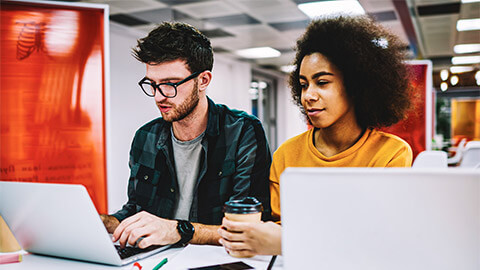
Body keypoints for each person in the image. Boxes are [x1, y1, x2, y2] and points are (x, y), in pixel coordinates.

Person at [218, 15, 413, 257]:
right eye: (303, 85)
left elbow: (381, 239)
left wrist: (288, 242)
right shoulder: (286, 155)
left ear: (356, 86)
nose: (308, 95)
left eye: (322, 82)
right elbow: (276, 230)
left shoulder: (391, 154)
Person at [101, 22, 272, 248]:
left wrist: (179, 230)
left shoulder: (242, 132)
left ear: (203, 80)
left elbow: (249, 228)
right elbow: (135, 210)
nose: (159, 96)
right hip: (158, 258)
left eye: (170, 84)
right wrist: (106, 222)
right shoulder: (146, 137)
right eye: (152, 84)